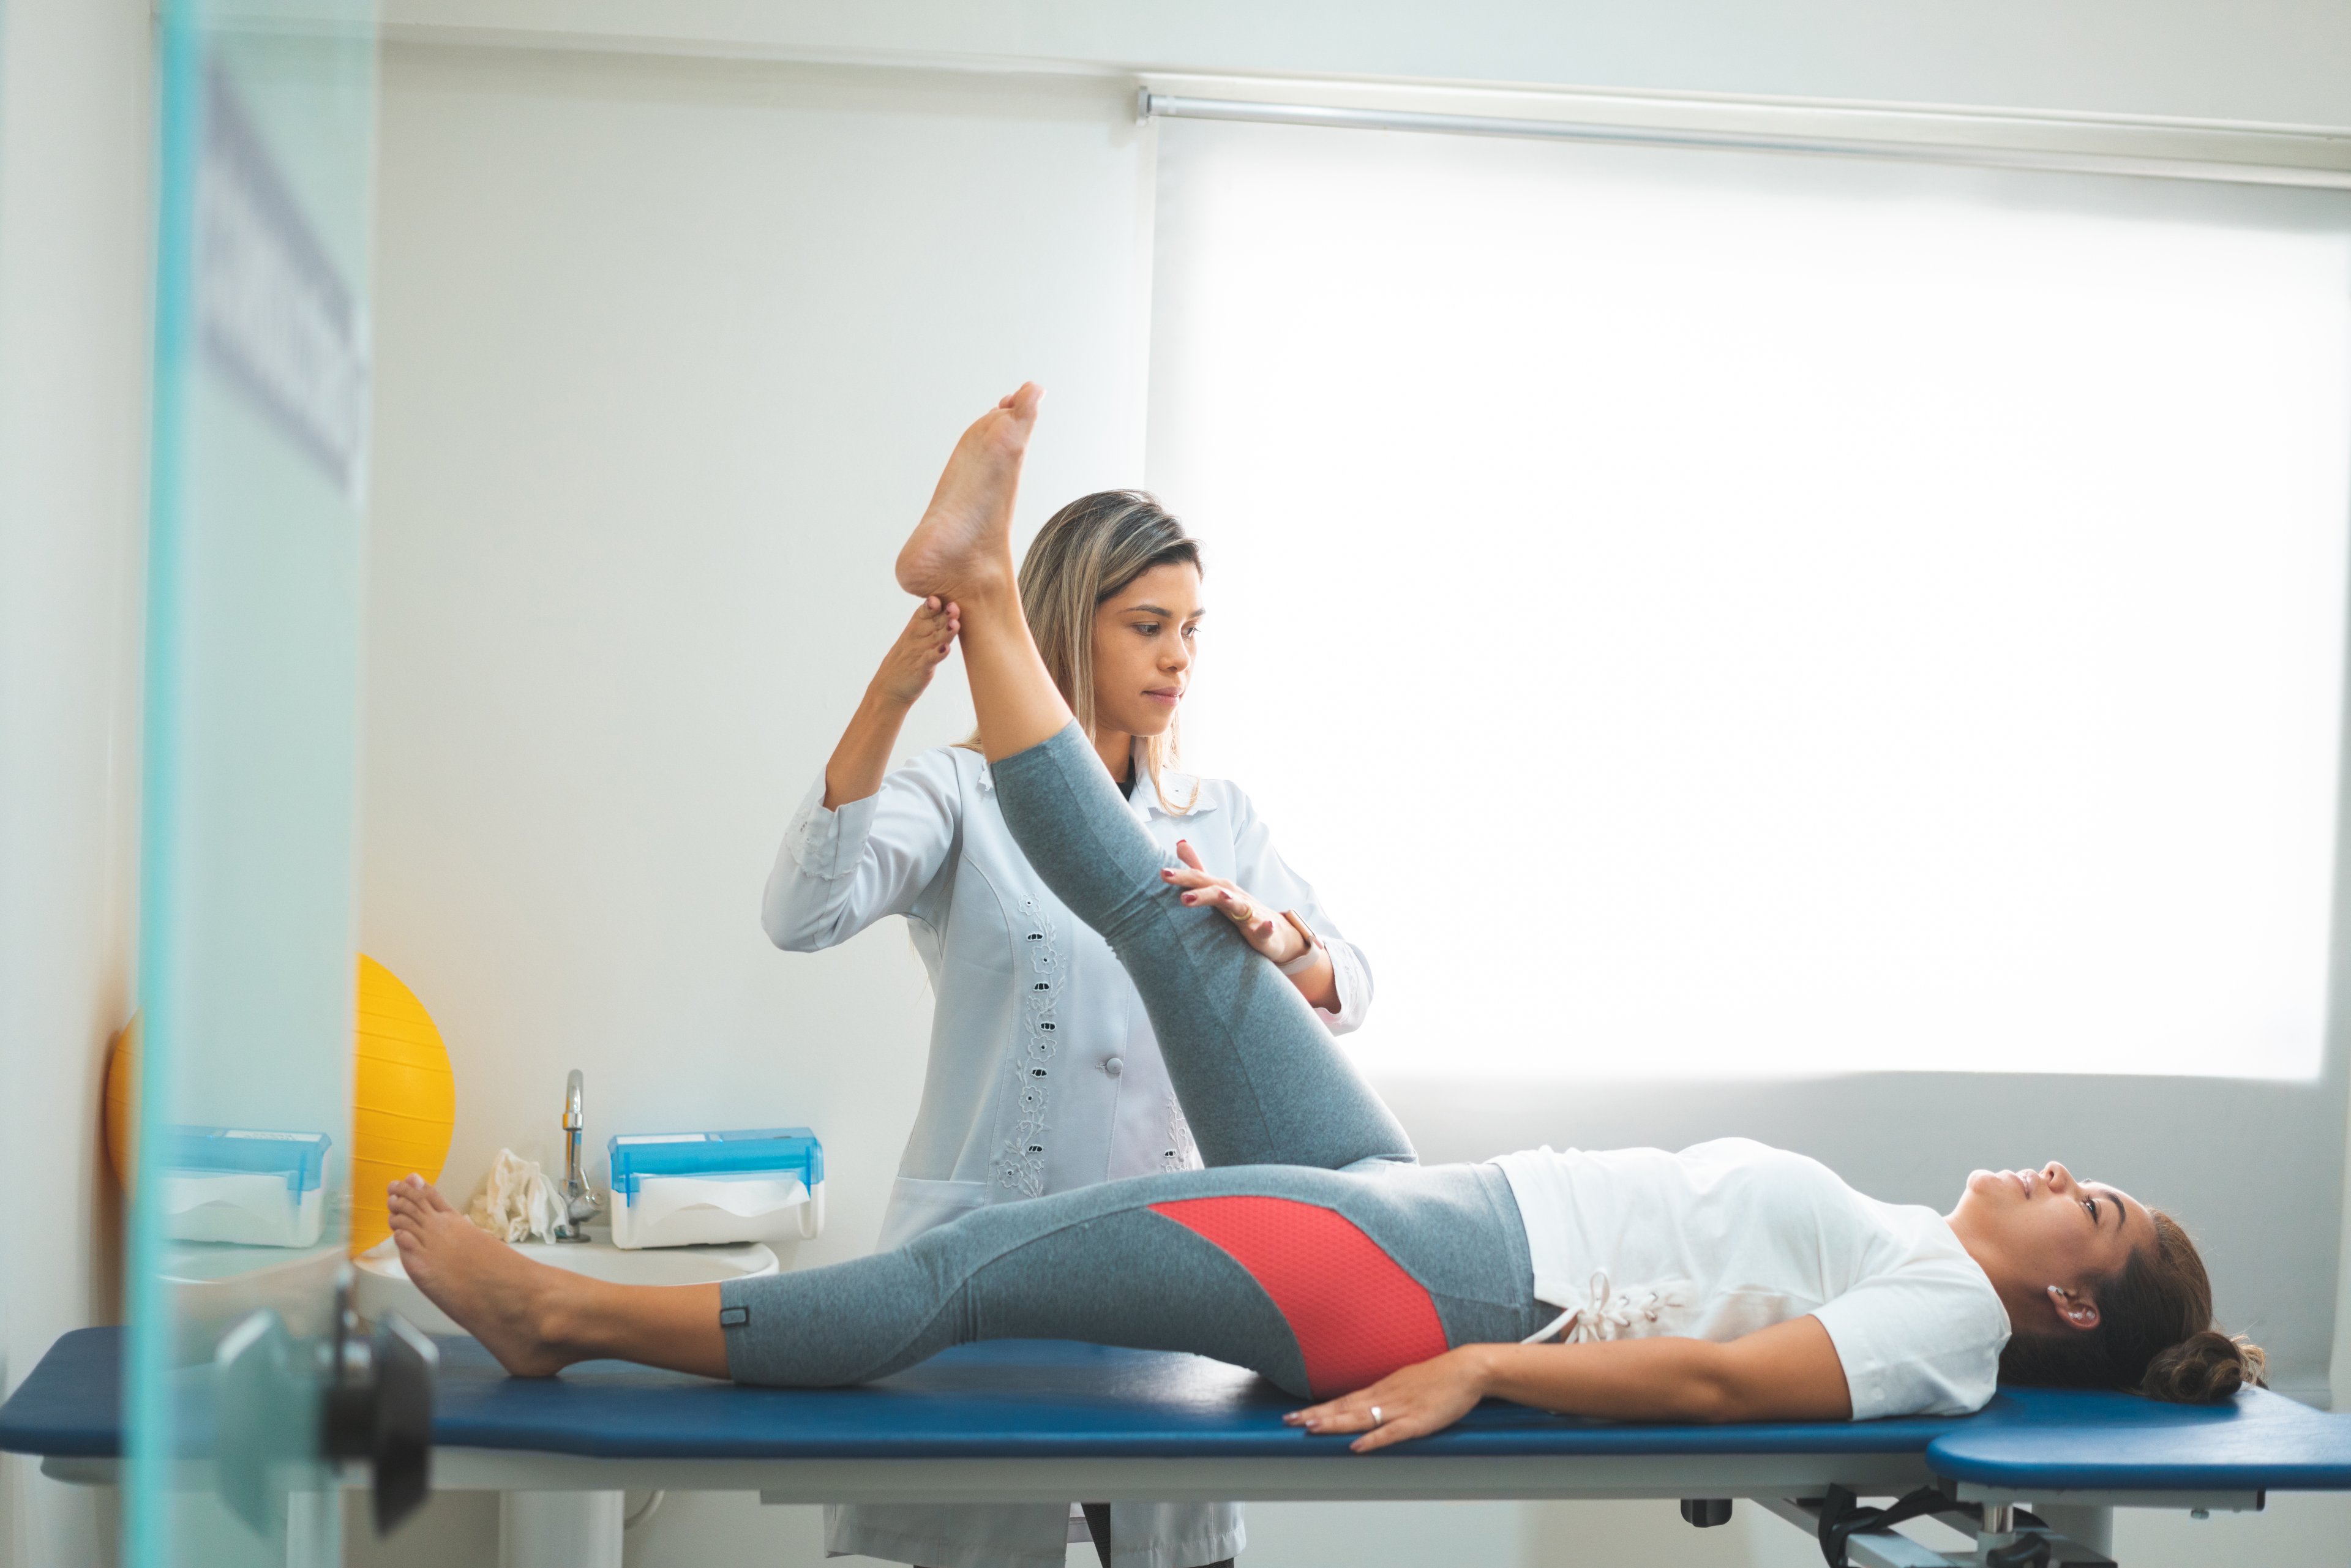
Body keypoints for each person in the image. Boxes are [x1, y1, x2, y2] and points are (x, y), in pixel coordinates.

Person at [388, 384, 2263, 1481]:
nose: (2058, 1173)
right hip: (1429, 1202)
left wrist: (1485, 1368)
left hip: (1427, 1284)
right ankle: (976, 591)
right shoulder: (1924, 1255)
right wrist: (1279, 944)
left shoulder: (1944, 1314)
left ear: (2072, 1301)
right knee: (1159, 896)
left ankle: (565, 1317)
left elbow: (1710, 1383)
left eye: (2087, 1209)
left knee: (985, 1264)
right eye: (1156, 623)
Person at [764, 489, 1369, 1568]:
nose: (1178, 658)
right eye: (1147, 625)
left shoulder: (1214, 813)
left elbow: (1349, 984)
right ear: (1062, 624)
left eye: (1191, 630)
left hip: (1168, 1271)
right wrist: (891, 694)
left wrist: (1281, 942)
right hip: (989, 1260)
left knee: (1175, 1547)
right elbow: (802, 912)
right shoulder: (963, 792)